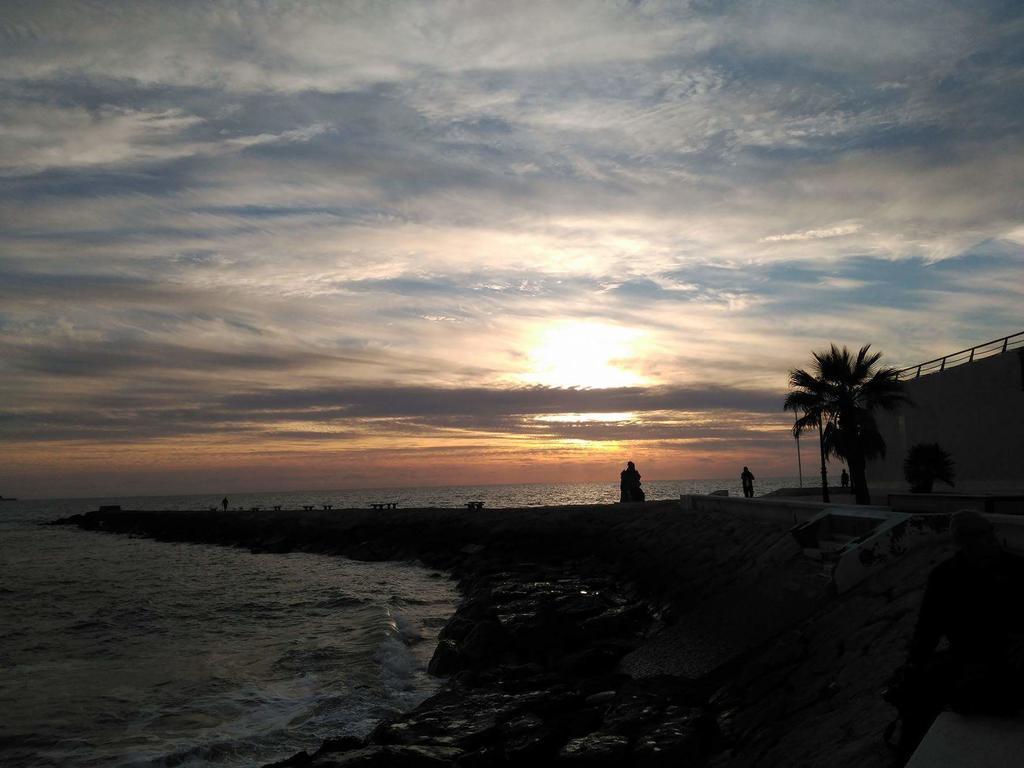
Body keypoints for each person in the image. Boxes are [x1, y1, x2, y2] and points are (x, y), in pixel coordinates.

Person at [885, 510, 1024, 760]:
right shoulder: (944, 576)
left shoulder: (1018, 571)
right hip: (967, 656)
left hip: (1009, 659)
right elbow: (927, 630)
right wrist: (914, 665)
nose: (989, 541)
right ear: (963, 542)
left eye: (989, 535)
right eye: (980, 537)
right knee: (914, 688)